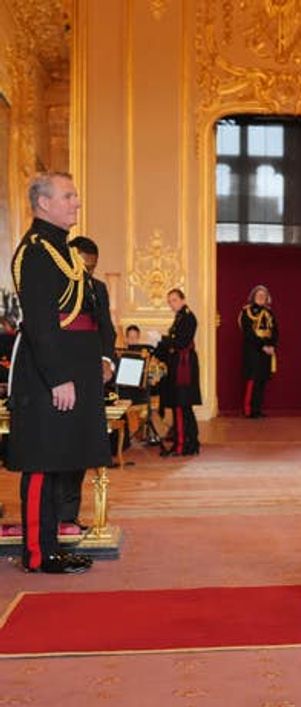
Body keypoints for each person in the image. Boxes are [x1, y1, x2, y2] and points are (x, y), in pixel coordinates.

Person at [6, 172, 108, 573]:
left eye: (76, 196)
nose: (76, 203)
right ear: (43, 203)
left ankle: (51, 545)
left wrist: (96, 362)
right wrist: (58, 377)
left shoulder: (61, 249)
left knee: (61, 460)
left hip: (74, 370)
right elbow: (41, 323)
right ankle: (36, 553)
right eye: (68, 196)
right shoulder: (34, 251)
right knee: (42, 463)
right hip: (49, 375)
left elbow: (87, 313)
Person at [57, 236, 117, 529]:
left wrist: (107, 360)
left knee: (81, 447)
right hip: (56, 376)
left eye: (92, 268)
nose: (87, 273)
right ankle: (50, 516)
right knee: (57, 447)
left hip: (88, 378)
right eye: (83, 266)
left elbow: (107, 328)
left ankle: (69, 516)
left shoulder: (99, 290)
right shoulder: (55, 287)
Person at [156, 288, 201, 456]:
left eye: (174, 300)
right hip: (181, 365)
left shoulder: (188, 317)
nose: (171, 304)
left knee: (181, 406)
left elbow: (181, 342)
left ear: (182, 299)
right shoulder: (181, 316)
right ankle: (191, 442)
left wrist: (162, 340)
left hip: (185, 366)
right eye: (169, 302)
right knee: (182, 406)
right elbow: (174, 342)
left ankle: (182, 445)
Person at [239, 285, 278, 418]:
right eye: (259, 295)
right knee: (253, 380)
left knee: (262, 380)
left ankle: (258, 409)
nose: (261, 298)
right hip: (253, 351)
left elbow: (275, 331)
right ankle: (249, 410)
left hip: (266, 351)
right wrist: (263, 346)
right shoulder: (247, 312)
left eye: (264, 296)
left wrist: (272, 345)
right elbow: (249, 333)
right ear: (253, 297)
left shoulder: (269, 313)